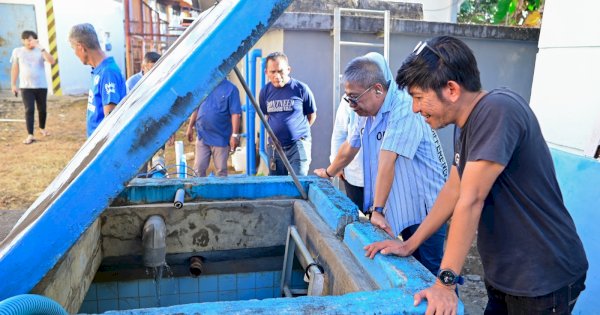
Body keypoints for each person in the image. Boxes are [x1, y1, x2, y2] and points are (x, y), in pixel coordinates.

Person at [365, 35, 588, 314]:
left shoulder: (498, 110)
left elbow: (470, 200)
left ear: (452, 90)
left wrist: (445, 284)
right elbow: (454, 189)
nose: (415, 108)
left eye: (419, 97)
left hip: (542, 277)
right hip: (505, 275)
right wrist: (410, 244)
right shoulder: (466, 122)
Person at [315, 52, 448, 276]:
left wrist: (377, 210)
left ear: (377, 89)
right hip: (403, 199)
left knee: (431, 269)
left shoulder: (405, 107)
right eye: (348, 97)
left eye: (354, 97)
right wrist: (329, 172)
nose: (351, 104)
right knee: (412, 265)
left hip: (426, 204)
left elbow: (387, 159)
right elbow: (351, 145)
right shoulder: (363, 110)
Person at [259, 52, 316, 176]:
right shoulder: (264, 92)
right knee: (277, 185)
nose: (277, 76)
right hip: (275, 147)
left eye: (280, 71)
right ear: (266, 72)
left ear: (288, 70)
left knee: (299, 183)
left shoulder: (301, 89)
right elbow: (267, 116)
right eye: (272, 72)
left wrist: (297, 132)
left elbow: (311, 115)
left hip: (298, 145)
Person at [68, 23, 126, 137]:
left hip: (103, 147)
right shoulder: (99, 70)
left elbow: (111, 119)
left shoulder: (107, 72)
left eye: (73, 48)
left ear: (81, 47)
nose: (74, 53)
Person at [185, 78, 242, 177]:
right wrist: (190, 126)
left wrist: (235, 135)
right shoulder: (204, 85)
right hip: (202, 136)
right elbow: (196, 107)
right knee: (198, 168)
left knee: (221, 170)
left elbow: (235, 114)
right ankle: (198, 192)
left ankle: (221, 191)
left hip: (221, 138)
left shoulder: (231, 89)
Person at [10, 30, 56, 144]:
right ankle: (30, 134)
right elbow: (15, 68)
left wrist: (40, 47)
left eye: (31, 40)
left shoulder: (40, 51)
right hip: (26, 87)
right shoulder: (17, 51)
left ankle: (42, 128)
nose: (28, 42)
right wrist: (13, 84)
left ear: (35, 40)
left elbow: (52, 61)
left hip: (41, 85)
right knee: (29, 109)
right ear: (23, 40)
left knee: (42, 109)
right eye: (26, 40)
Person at [330, 96, 364, 210]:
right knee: (357, 215)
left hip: (380, 175)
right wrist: (336, 165)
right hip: (354, 172)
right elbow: (339, 132)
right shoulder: (347, 99)